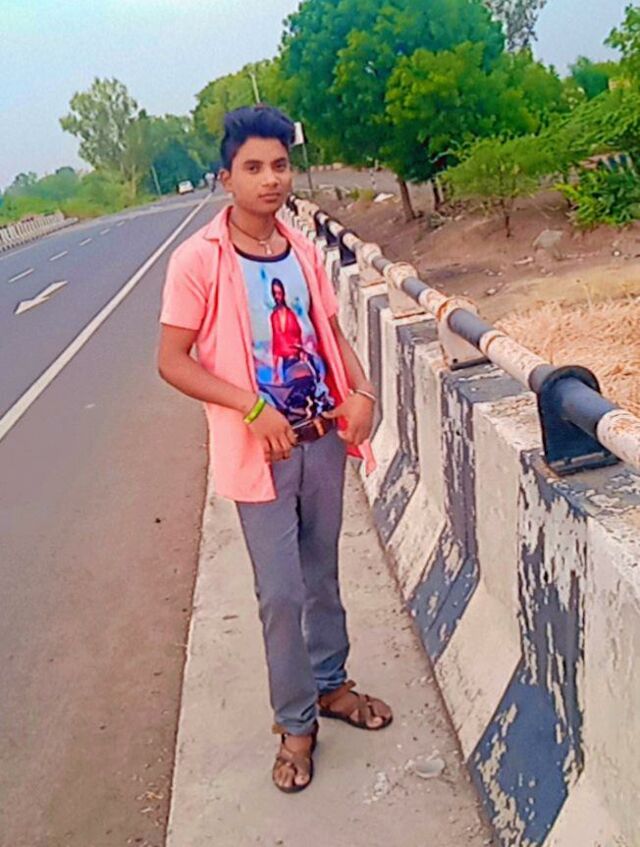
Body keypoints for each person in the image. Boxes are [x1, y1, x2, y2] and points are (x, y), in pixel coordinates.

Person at [157, 105, 392, 794]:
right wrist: (250, 406)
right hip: (261, 454)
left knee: (322, 577)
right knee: (281, 594)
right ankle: (295, 723)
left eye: (280, 165)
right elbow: (172, 360)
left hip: (322, 439)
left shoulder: (301, 250)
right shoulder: (199, 261)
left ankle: (331, 683)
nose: (270, 179)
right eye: (253, 167)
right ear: (226, 177)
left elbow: (328, 332)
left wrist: (363, 391)